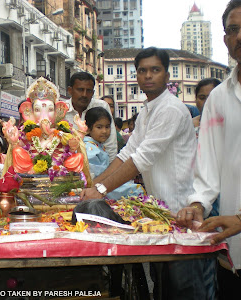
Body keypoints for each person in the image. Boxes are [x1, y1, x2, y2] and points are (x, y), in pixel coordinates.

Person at [81, 47, 209, 300]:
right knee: (163, 286)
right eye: (142, 70)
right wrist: (94, 184)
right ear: (137, 75)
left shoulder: (170, 109)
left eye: (155, 69)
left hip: (183, 210)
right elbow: (127, 152)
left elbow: (141, 159)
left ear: (167, 74)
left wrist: (101, 190)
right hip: (161, 213)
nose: (148, 75)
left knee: (185, 289)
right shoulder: (148, 110)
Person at [176, 1, 241, 298]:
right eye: (233, 29)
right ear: (225, 38)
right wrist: (198, 205)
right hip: (232, 251)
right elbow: (209, 168)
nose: (239, 36)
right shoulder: (218, 98)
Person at [63, 72, 117, 162]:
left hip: (99, 167)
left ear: (93, 92)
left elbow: (110, 144)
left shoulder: (102, 106)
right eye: (80, 90)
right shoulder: (61, 109)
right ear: (70, 90)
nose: (84, 94)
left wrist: (109, 172)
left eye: (89, 91)